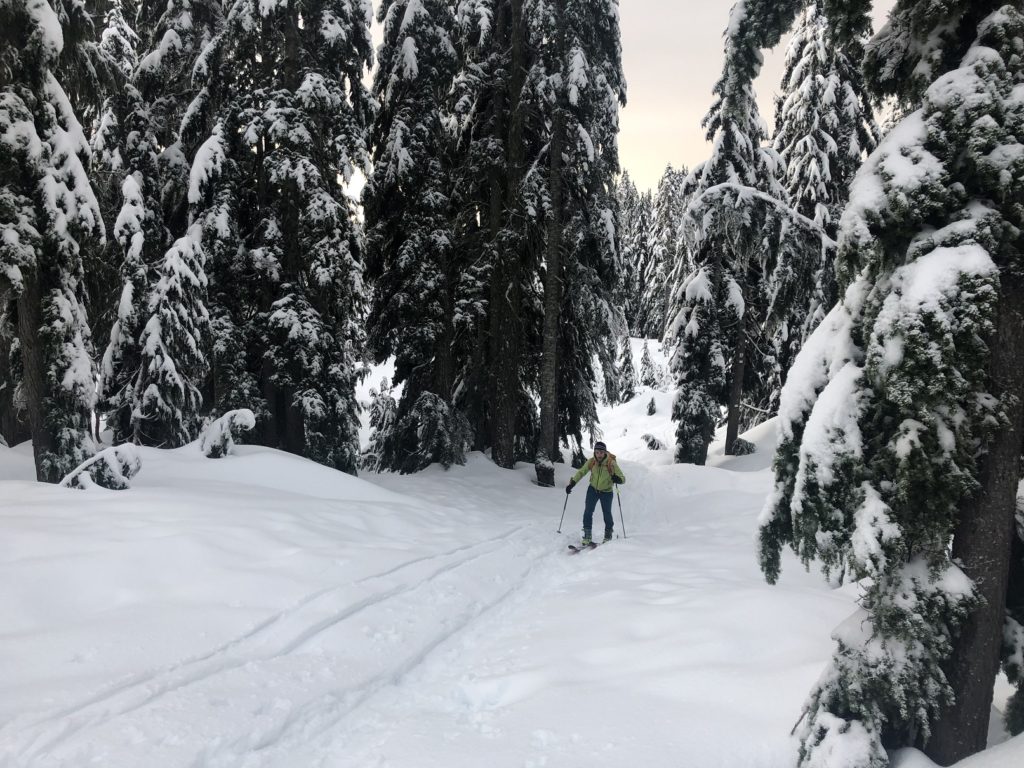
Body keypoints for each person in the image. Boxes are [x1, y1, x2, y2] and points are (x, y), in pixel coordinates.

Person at [566, 441, 625, 545]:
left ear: (605, 452)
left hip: (607, 492)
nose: (599, 454)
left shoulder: (611, 463)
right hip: (593, 490)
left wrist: (618, 479)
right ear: (595, 452)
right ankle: (587, 535)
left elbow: (623, 478)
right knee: (588, 511)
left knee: (607, 513)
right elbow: (581, 472)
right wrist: (573, 483)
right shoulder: (592, 462)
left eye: (601, 452)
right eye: (597, 452)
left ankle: (608, 534)